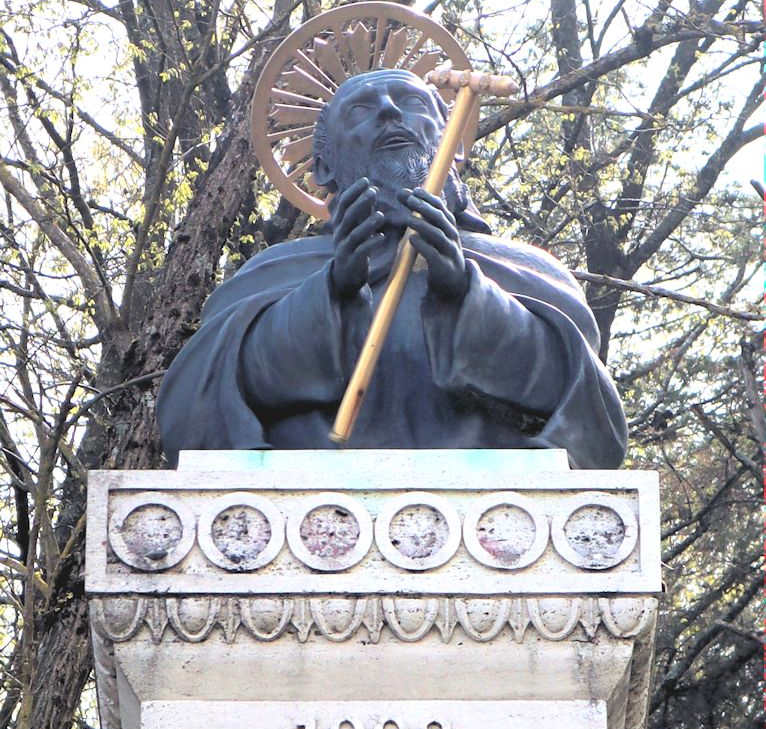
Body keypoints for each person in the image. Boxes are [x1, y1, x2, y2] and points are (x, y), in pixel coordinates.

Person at [157, 69, 627, 468]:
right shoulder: (277, 271)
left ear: (453, 145)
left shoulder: (524, 268)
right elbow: (197, 405)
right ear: (322, 164)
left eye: (411, 101)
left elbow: (581, 405)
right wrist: (332, 292)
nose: (389, 111)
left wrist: (466, 293)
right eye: (361, 109)